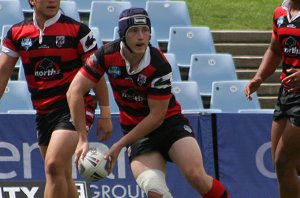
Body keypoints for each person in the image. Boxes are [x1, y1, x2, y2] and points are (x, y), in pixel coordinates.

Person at [67, 7, 230, 198]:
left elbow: (156, 117)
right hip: (138, 134)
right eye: (134, 31)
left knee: (196, 176)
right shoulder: (106, 54)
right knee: (155, 191)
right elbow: (74, 92)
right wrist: (82, 138)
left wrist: (119, 145)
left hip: (170, 125)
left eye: (145, 30)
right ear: (122, 35)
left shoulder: (158, 64)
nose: (141, 36)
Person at [0, 0, 112, 197]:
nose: (52, 0)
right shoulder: (16, 33)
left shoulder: (78, 31)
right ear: (32, 1)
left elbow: (97, 74)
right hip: (43, 112)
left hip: (75, 107)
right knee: (62, 174)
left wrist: (105, 113)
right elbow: (2, 72)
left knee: (53, 165)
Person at [244, 0, 300, 197]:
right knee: (286, 167)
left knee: (283, 161)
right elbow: (275, 49)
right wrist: (259, 77)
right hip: (286, 94)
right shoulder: (281, 11)